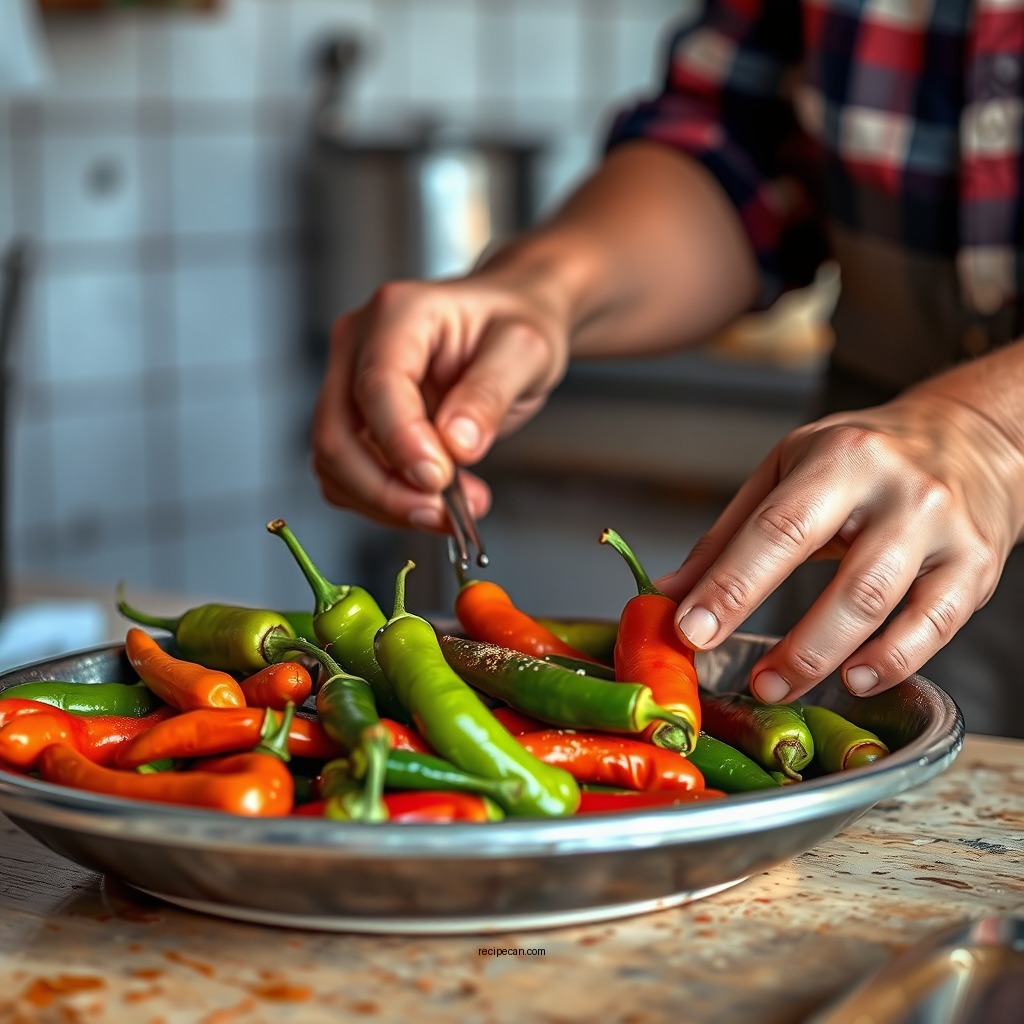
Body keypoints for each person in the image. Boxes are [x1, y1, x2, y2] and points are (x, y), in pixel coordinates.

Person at [309, 2, 1024, 739]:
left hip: (913, 467)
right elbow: (733, 146)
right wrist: (546, 287)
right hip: (869, 517)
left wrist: (994, 429)